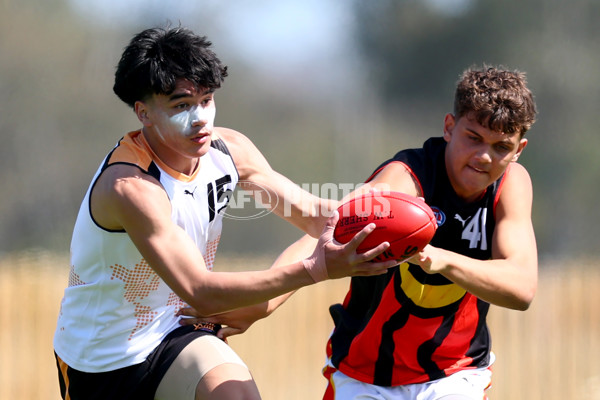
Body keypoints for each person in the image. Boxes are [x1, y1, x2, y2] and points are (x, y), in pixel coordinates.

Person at [52, 26, 398, 400]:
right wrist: (317, 269)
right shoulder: (131, 188)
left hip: (176, 332)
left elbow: (315, 214)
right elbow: (201, 291)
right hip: (102, 363)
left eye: (206, 100)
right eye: (181, 105)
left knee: (237, 395)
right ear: (143, 112)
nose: (200, 118)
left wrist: (385, 217)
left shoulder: (229, 150)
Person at [193, 65, 538, 399]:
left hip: (455, 372)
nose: (483, 156)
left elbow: (521, 287)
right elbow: (329, 230)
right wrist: (262, 305)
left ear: (519, 150)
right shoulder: (406, 176)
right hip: (364, 374)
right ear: (449, 127)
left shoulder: (511, 185)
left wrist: (438, 258)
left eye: (501, 147)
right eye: (473, 138)